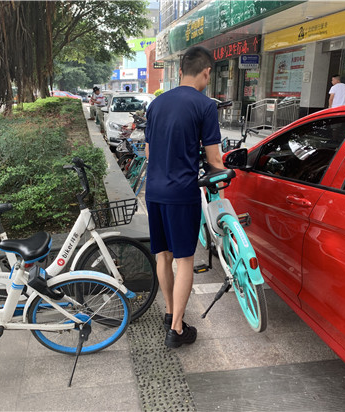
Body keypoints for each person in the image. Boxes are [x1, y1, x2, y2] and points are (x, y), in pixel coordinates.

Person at [145, 46, 225, 348]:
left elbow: (149, 152)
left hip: (154, 191)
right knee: (185, 260)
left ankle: (170, 312)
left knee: (163, 256)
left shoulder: (156, 104)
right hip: (181, 194)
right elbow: (214, 160)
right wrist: (225, 184)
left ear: (180, 71)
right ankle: (177, 329)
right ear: (207, 72)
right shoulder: (205, 106)